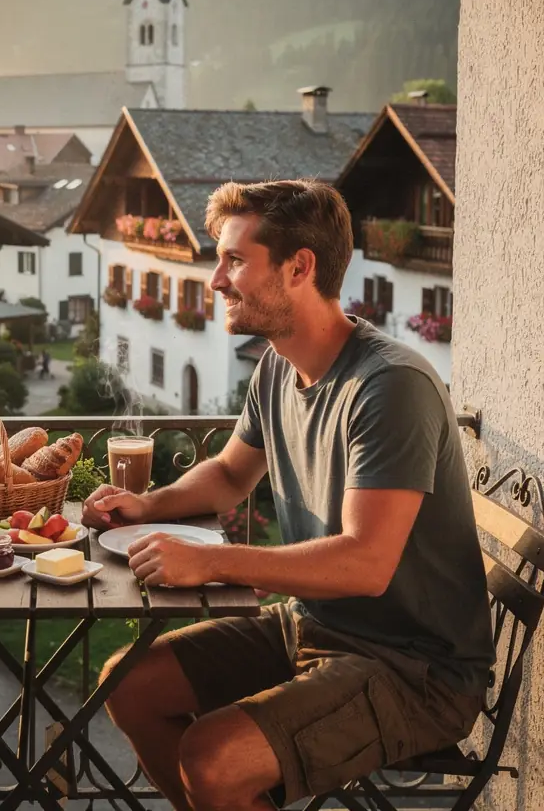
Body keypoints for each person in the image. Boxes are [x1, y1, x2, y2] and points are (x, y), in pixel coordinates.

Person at [81, 180, 494, 811]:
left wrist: (214, 560)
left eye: (236, 260)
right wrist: (148, 504)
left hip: (414, 670)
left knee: (212, 756)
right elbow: (227, 475)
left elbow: (365, 562)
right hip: (314, 626)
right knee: (129, 684)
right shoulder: (279, 364)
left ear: (299, 267)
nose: (216, 279)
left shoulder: (389, 387)